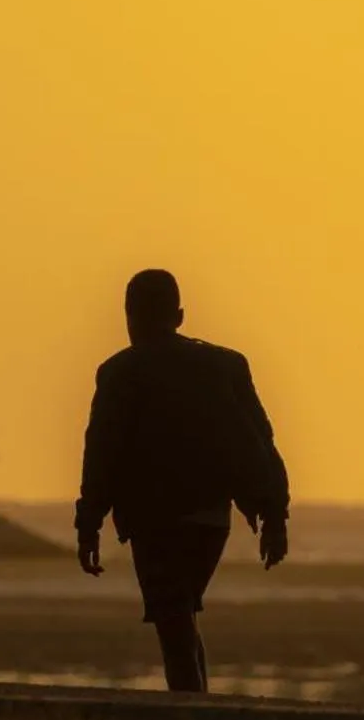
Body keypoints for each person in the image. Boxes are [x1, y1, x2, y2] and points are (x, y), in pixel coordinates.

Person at [75, 269, 291, 693]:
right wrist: (274, 514)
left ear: (129, 316)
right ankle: (197, 710)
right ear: (179, 315)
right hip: (211, 519)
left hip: (153, 521)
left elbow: (101, 452)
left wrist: (88, 524)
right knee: (180, 616)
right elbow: (259, 444)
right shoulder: (225, 364)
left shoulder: (120, 372)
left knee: (174, 625)